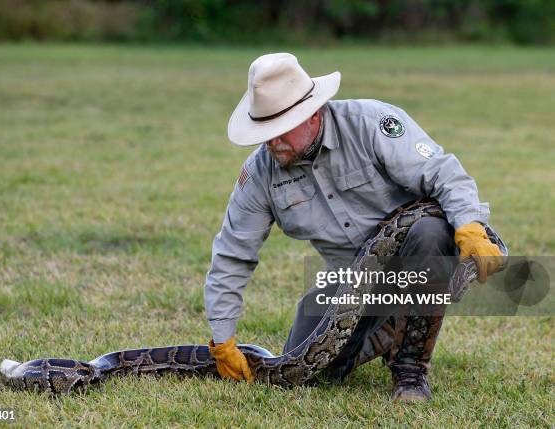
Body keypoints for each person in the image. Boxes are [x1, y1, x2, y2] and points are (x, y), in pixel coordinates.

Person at [204, 53, 503, 401]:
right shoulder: (259, 174)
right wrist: (222, 339)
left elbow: (444, 174)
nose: (272, 142)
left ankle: (409, 371)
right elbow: (232, 255)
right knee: (306, 372)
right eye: (264, 131)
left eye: (280, 130)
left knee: (430, 231)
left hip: (416, 258)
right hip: (347, 282)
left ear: (311, 113)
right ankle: (387, 329)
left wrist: (470, 227)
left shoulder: (371, 123)